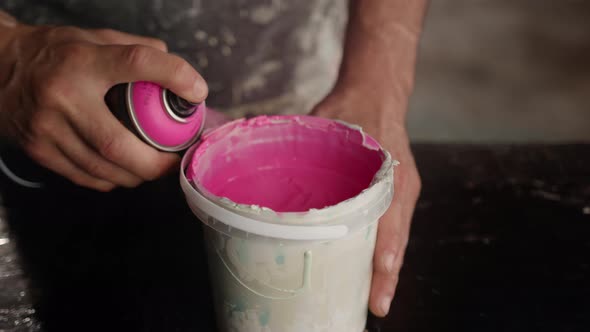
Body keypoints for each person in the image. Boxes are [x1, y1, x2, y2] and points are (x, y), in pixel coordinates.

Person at [0, 0, 424, 324]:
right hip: (49, 112)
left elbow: (377, 78)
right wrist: (12, 57)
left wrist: (377, 81)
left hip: (311, 93)